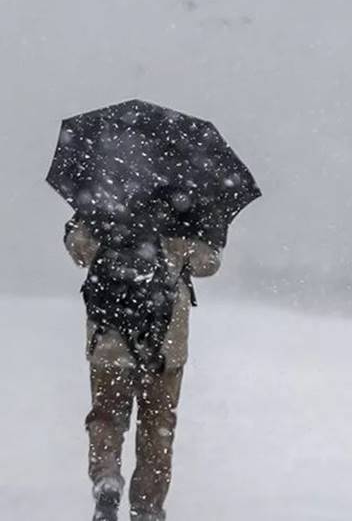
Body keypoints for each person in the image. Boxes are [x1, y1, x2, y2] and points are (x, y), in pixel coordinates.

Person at [65, 214, 222, 521]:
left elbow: (80, 249)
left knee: (106, 415)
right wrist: (191, 239)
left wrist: (89, 229)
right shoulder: (185, 201)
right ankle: (147, 509)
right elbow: (208, 263)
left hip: (109, 333)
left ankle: (106, 475)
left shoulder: (105, 193)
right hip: (165, 341)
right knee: (157, 427)